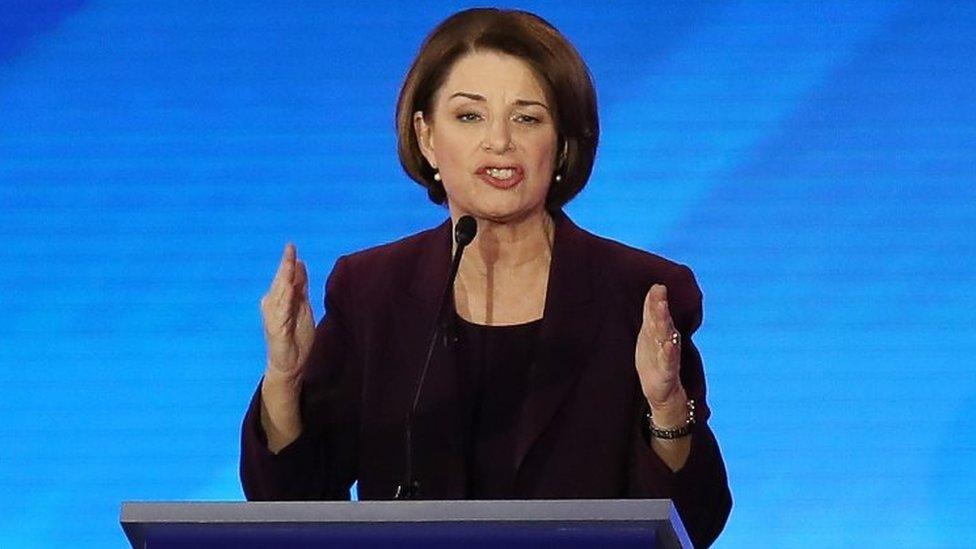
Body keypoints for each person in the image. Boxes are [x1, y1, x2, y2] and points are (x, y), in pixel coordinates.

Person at [241, 8, 731, 547]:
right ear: (426, 136)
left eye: (527, 118)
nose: (500, 142)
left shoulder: (642, 294)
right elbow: (289, 505)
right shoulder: (371, 291)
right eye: (470, 116)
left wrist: (666, 410)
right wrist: (285, 380)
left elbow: (695, 523)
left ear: (563, 143)